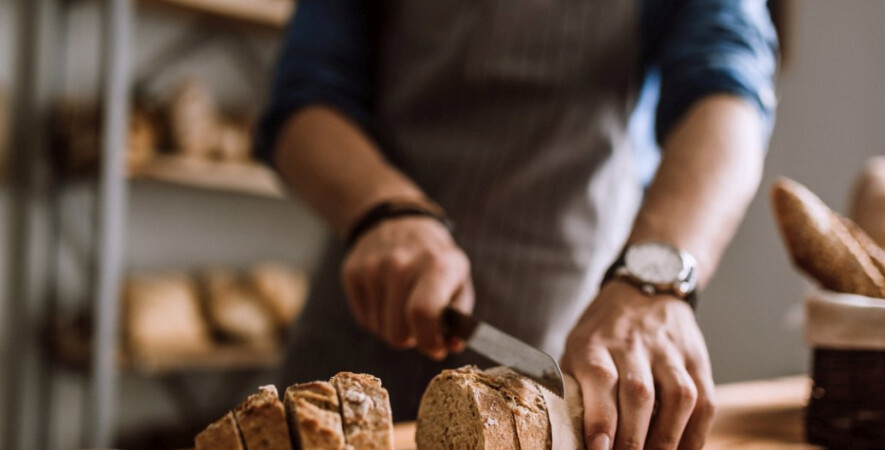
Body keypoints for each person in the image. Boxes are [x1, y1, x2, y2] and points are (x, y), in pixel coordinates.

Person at [256, 0, 777, 448]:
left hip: (563, 340)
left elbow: (729, 88)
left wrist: (655, 277)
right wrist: (385, 209)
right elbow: (306, 95)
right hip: (367, 314)